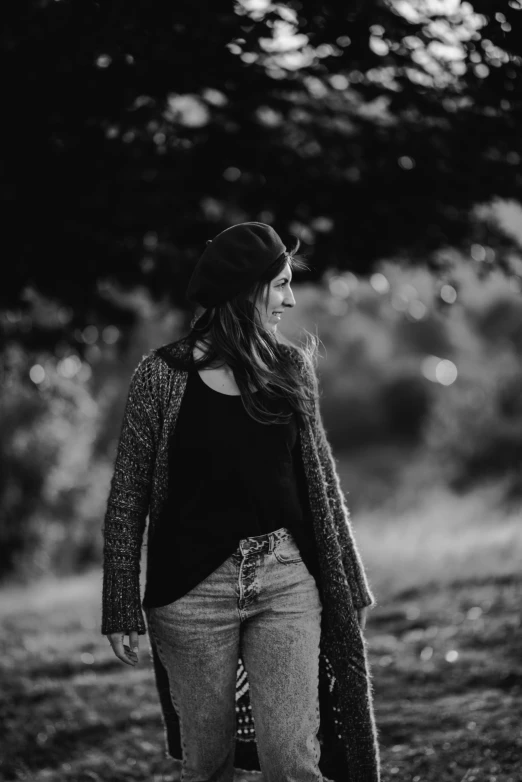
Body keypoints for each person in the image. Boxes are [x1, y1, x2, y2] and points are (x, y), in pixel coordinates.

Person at [101, 222, 381, 782]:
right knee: (208, 764)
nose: (290, 298)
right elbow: (128, 497)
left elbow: (320, 485)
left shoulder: (289, 369)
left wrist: (347, 579)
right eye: (278, 284)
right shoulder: (161, 377)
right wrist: (120, 602)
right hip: (190, 595)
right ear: (244, 289)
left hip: (285, 580)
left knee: (294, 759)